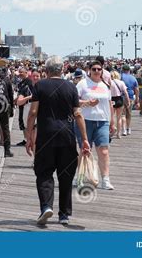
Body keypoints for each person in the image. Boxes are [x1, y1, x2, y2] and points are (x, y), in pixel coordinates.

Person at [26, 56, 90, 225]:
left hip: (46, 136)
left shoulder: (39, 86)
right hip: (67, 136)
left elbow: (33, 112)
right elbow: (78, 114)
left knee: (44, 173)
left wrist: (28, 137)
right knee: (66, 176)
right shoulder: (71, 87)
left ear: (46, 71)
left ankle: (46, 206)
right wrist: (84, 139)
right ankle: (64, 214)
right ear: (62, 70)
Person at [76, 60, 116, 190]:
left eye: (99, 69)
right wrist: (87, 102)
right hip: (85, 121)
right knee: (84, 150)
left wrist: (112, 121)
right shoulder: (83, 84)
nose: (97, 71)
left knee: (104, 151)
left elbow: (109, 104)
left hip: (102, 121)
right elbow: (74, 101)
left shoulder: (105, 86)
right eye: (94, 69)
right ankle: (80, 177)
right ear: (89, 70)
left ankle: (105, 179)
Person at [16, 68, 33, 147]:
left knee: (24, 122)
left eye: (21, 72)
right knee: (21, 122)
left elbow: (30, 93)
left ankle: (28, 139)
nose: (20, 73)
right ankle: (25, 138)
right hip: (21, 104)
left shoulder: (29, 82)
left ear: (26, 73)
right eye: (19, 72)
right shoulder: (21, 82)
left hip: (26, 104)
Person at [110, 70, 130, 138]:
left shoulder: (109, 82)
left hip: (112, 99)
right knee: (119, 118)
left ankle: (113, 129)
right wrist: (128, 101)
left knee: (112, 117)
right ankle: (118, 134)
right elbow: (125, 92)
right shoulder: (121, 82)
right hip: (119, 99)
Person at [121, 65, 139, 136]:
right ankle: (128, 128)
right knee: (129, 114)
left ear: (122, 69)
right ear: (129, 70)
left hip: (122, 96)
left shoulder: (120, 77)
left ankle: (124, 130)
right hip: (131, 97)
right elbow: (137, 89)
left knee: (122, 114)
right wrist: (137, 99)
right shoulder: (133, 78)